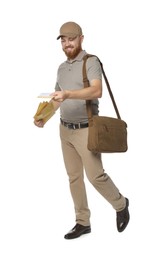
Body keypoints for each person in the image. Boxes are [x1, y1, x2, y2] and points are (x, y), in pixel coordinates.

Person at [34, 21, 130, 239]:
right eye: (64, 40)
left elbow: (97, 91)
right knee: (74, 177)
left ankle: (121, 204)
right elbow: (58, 99)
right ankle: (82, 222)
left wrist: (68, 94)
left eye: (71, 39)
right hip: (64, 129)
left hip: (87, 129)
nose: (67, 44)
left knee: (96, 176)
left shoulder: (90, 61)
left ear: (81, 39)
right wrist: (44, 117)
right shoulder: (61, 68)